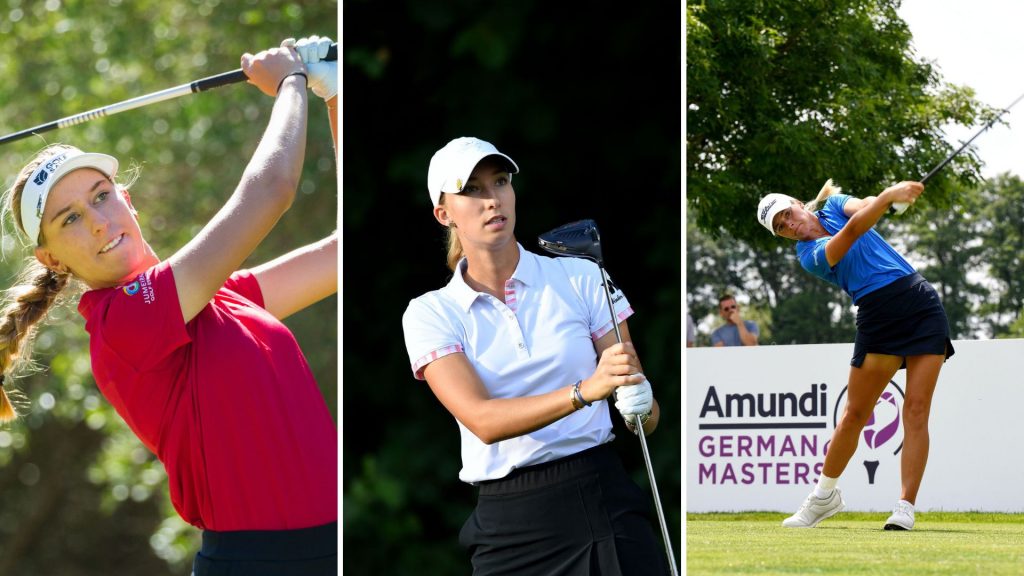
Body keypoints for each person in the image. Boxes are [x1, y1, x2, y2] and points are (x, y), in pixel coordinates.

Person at [0, 36, 339, 574]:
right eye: (69, 220)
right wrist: (291, 81)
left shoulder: (221, 294)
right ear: (53, 259)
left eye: (101, 195)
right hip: (261, 563)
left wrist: (332, 94)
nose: (97, 221)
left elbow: (340, 254)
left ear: (126, 199)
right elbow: (272, 188)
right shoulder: (122, 322)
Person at [402, 136, 671, 575]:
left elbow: (644, 410)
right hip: (509, 527)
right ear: (444, 213)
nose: (493, 200)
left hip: (601, 501)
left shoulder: (582, 277)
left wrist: (641, 403)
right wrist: (584, 392)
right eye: (472, 190)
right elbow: (484, 421)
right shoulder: (430, 313)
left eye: (501, 182)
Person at [757, 178, 953, 531]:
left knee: (917, 409)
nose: (789, 225)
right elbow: (850, 233)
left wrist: (883, 201)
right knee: (855, 415)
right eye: (780, 227)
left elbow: (861, 208)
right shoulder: (808, 256)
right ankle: (823, 497)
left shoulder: (832, 205)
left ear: (800, 203)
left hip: (920, 303)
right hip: (877, 316)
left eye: (787, 214)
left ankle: (905, 507)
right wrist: (889, 197)